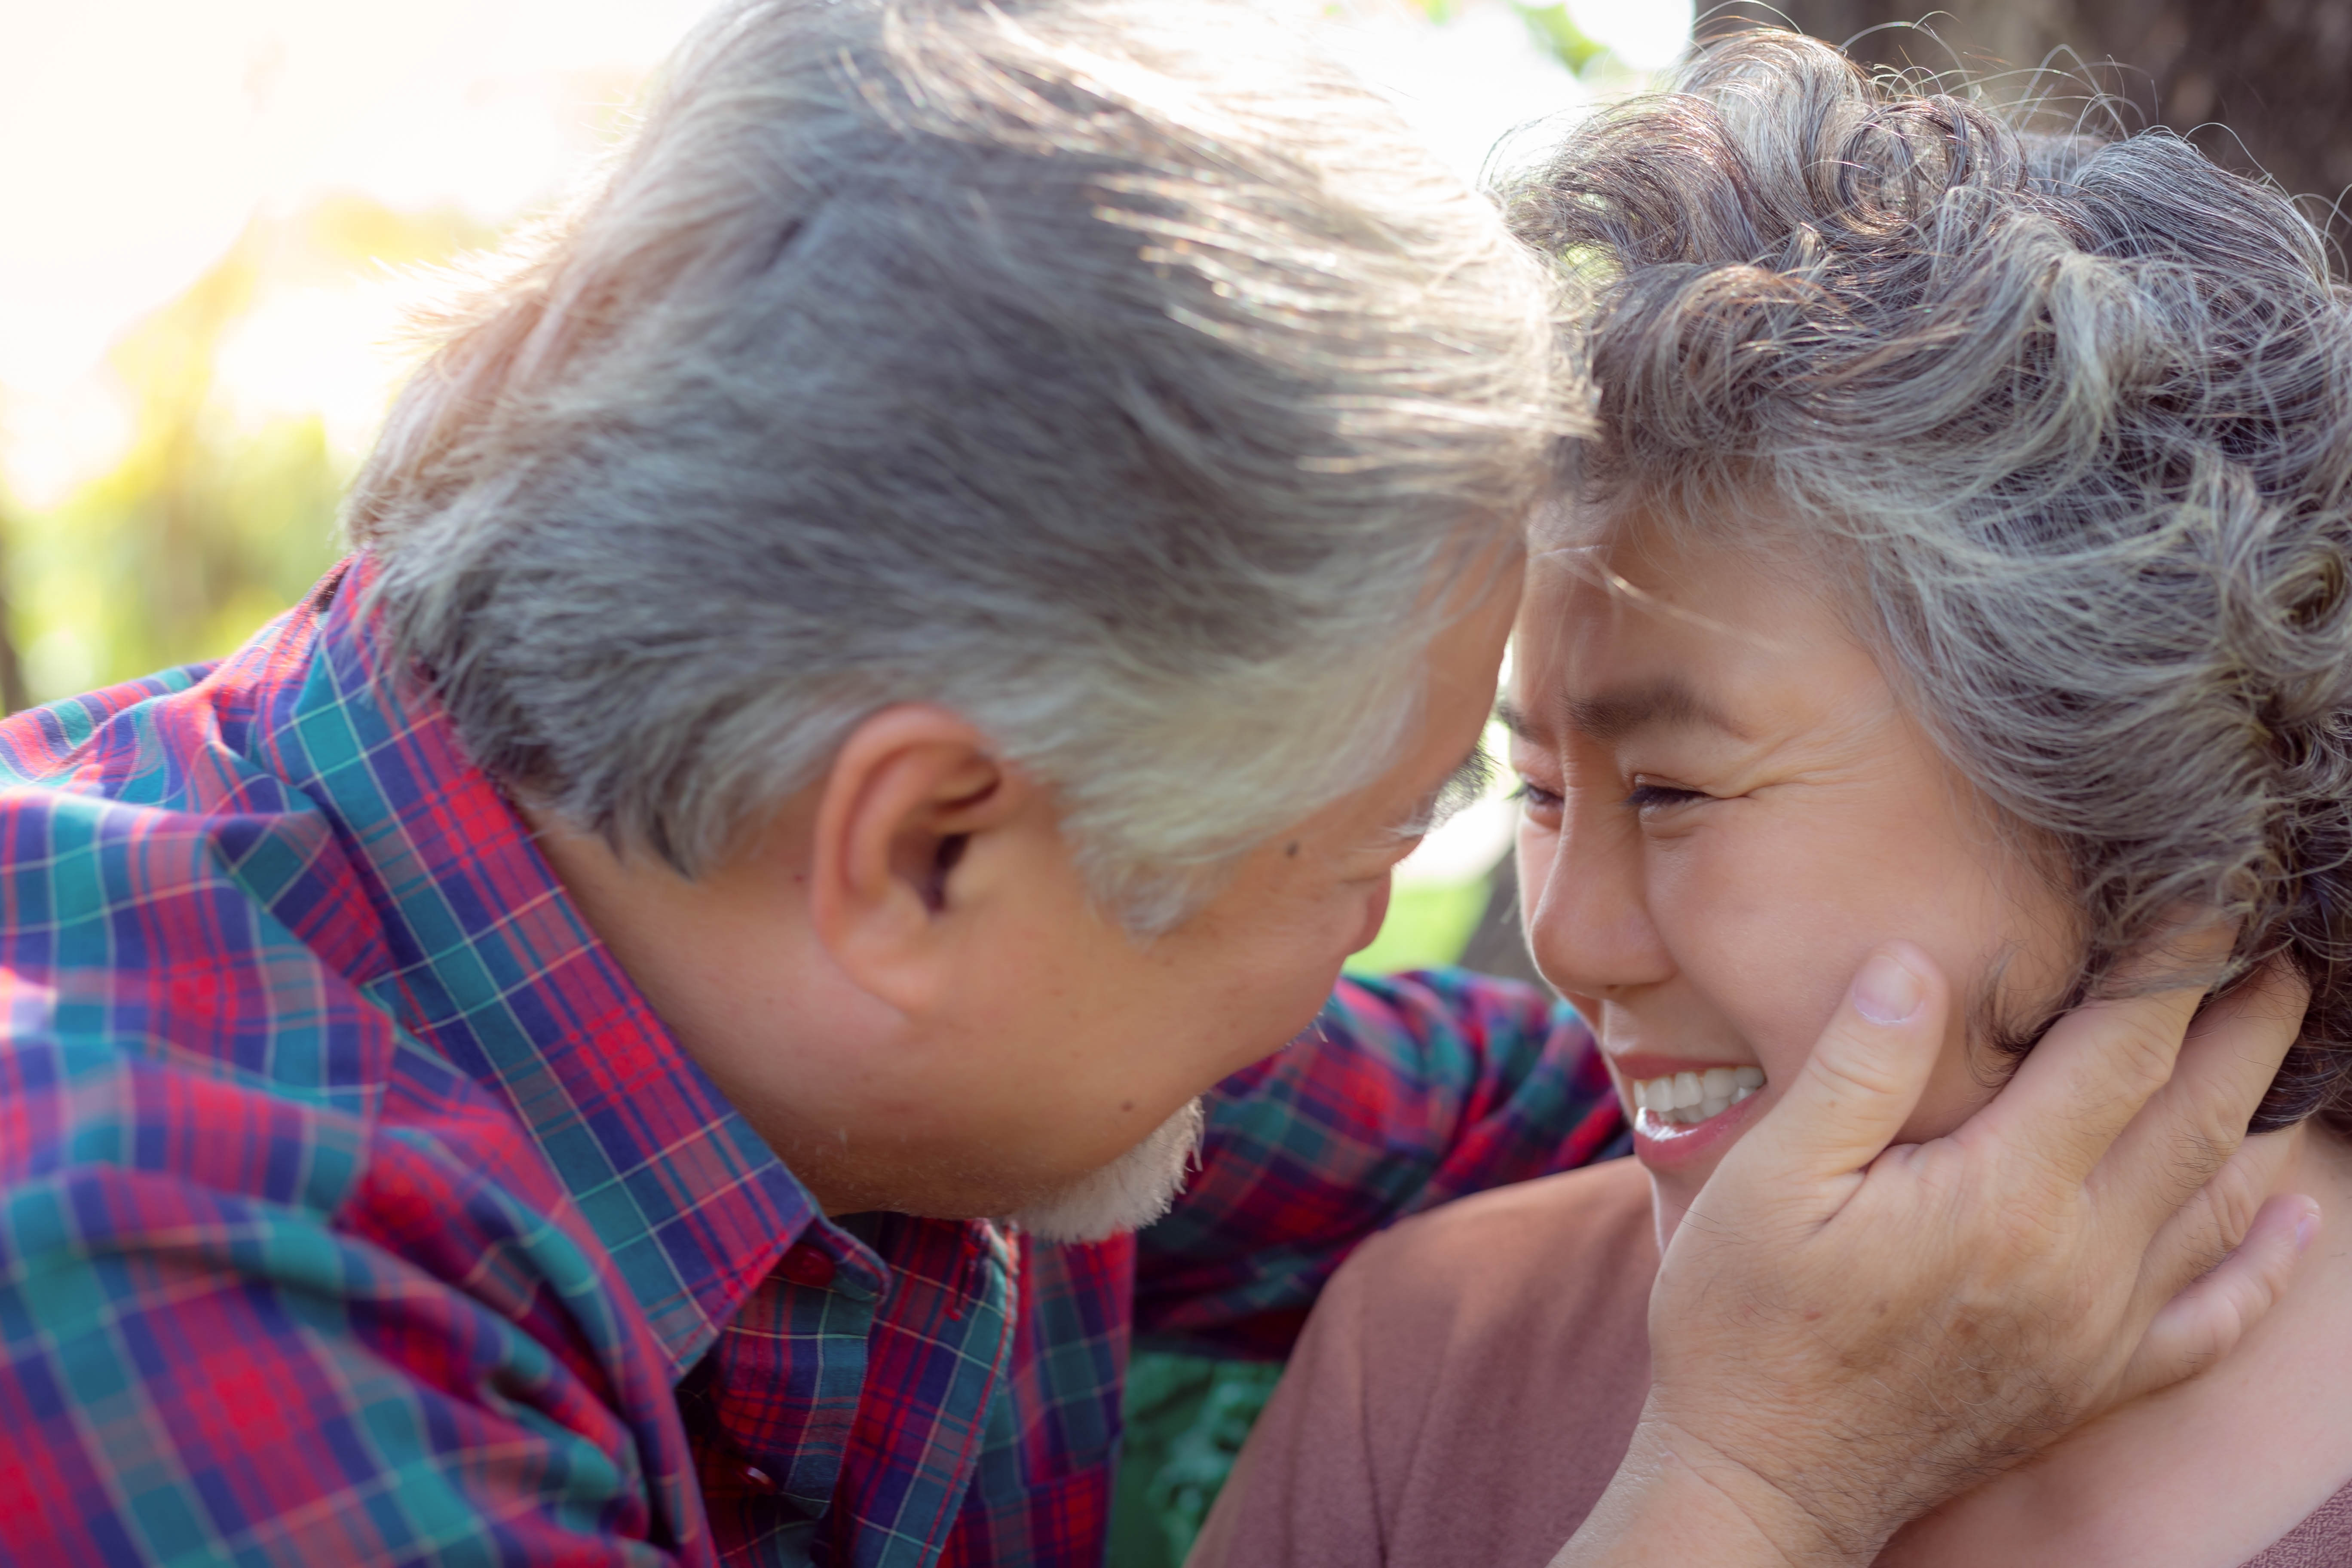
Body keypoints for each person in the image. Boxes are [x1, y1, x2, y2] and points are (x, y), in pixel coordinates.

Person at [0, 6, 2305, 1566]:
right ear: (923, 854)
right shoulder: (175, 1288)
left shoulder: (763, 951)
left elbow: (1559, 1106)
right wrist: (1753, 1484)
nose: (1544, 930)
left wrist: (2022, 1027)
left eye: (1671, 799)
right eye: (1379, 845)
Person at [1191, 28, 2352, 1568]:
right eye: (1538, 793)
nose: (1571, 938)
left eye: (1671, 791)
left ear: (2139, 805)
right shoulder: (1422, 1368)